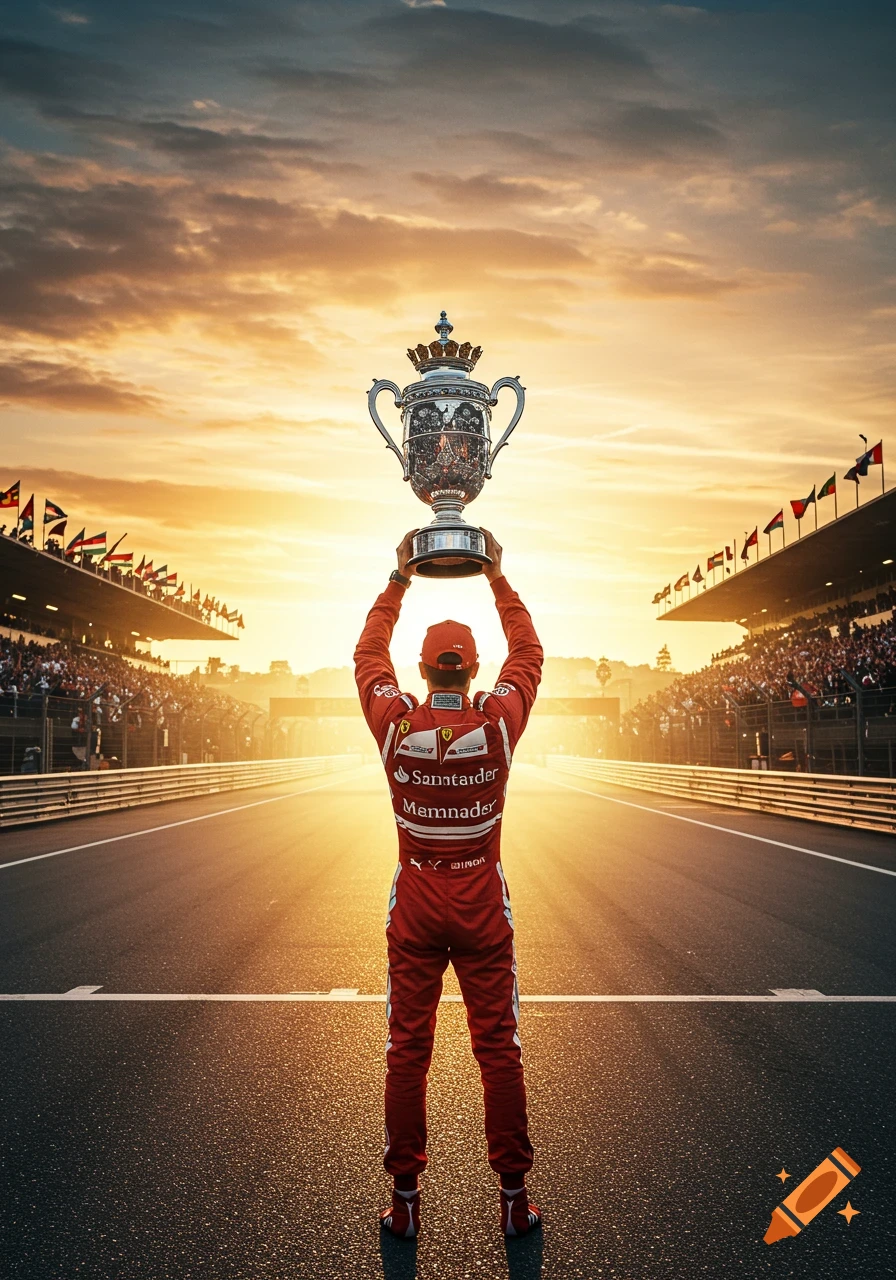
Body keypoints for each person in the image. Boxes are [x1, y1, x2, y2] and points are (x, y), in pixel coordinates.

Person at [354, 528, 544, 1240]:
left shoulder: (394, 724)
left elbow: (366, 654)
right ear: (472, 671)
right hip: (479, 899)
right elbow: (528, 654)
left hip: (417, 896)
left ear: (424, 668)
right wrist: (497, 577)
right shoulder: (497, 725)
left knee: (408, 1049)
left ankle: (405, 1206)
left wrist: (397, 581)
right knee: (499, 1050)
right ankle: (513, 1202)